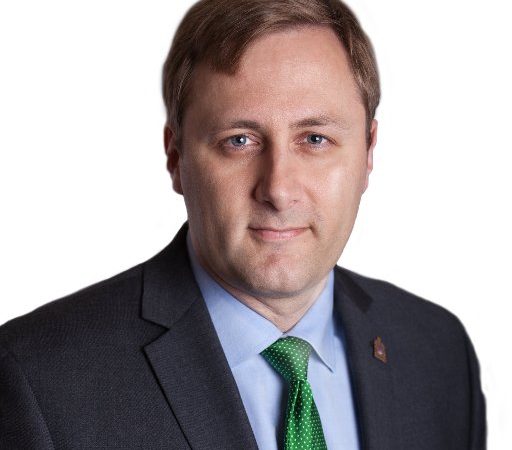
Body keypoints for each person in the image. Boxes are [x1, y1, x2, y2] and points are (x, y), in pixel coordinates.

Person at [0, 0, 486, 448]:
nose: (278, 189)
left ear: (368, 151)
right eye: (239, 141)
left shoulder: (439, 353)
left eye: (315, 139)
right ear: (176, 156)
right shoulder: (39, 381)